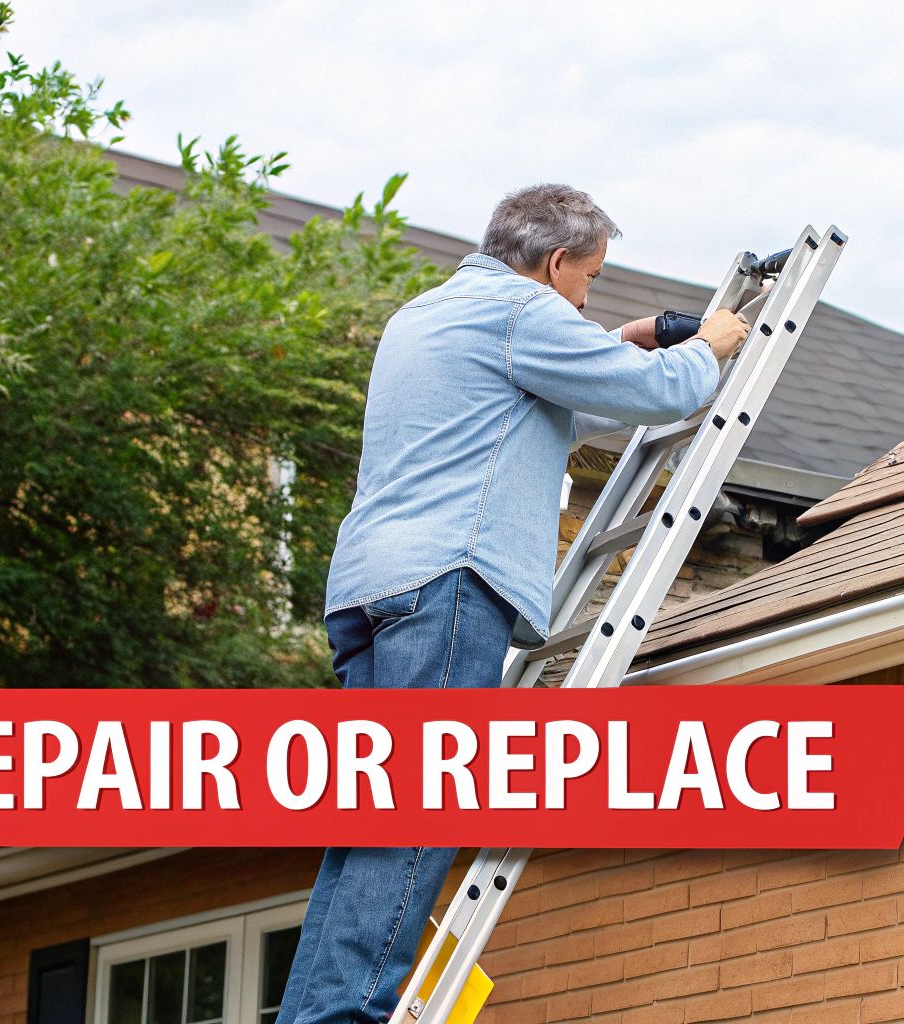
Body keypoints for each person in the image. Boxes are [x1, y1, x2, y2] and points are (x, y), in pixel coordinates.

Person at [276, 184, 750, 1024]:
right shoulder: (523, 314)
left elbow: (524, 420)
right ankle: (351, 1012)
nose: (586, 297)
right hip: (447, 582)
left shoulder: (426, 315)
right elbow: (666, 395)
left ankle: (319, 1008)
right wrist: (708, 347)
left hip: (369, 590)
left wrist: (612, 344)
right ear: (557, 262)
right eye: (590, 280)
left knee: (371, 813)